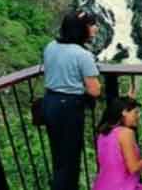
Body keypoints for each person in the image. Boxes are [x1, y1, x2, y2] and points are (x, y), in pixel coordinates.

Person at [43, 10, 102, 190]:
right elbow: (94, 90)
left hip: (50, 103)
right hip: (69, 108)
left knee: (59, 156)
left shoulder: (51, 46)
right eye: (91, 25)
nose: (95, 28)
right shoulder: (82, 55)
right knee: (70, 159)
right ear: (81, 30)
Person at [92, 96, 142, 190]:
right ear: (124, 112)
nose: (138, 116)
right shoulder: (125, 133)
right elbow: (134, 168)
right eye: (135, 112)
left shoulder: (103, 133)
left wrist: (128, 100)